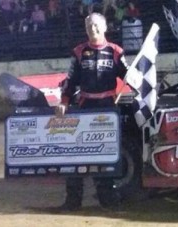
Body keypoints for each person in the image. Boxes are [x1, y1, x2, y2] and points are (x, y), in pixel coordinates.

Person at [55, 12, 129, 211]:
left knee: (106, 154)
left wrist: (139, 78)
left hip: (107, 110)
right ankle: (73, 200)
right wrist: (64, 101)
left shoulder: (116, 52)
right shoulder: (78, 52)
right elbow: (70, 81)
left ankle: (109, 200)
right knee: (76, 153)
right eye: (89, 26)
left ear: (104, 28)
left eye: (96, 26)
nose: (92, 29)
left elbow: (130, 77)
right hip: (84, 109)